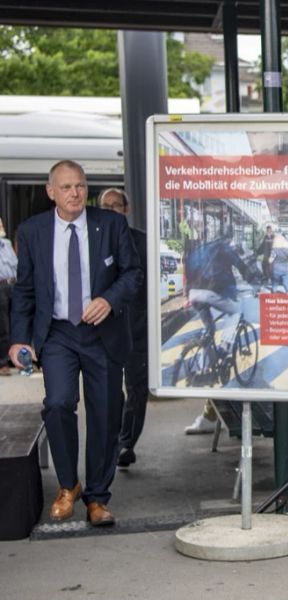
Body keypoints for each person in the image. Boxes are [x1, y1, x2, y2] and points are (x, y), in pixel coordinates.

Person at [8, 160, 141, 526]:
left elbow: (132, 274)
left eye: (80, 186)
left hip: (102, 334)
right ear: (51, 192)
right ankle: (69, 485)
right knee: (58, 404)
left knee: (104, 414)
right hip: (58, 335)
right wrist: (18, 338)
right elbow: (25, 291)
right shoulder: (33, 231)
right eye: (66, 187)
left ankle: (98, 498)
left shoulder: (111, 224)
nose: (75, 193)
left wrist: (109, 299)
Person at [182, 230, 256, 432]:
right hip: (215, 292)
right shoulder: (224, 248)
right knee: (236, 311)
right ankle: (224, 347)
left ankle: (210, 363)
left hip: (195, 293)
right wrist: (253, 280)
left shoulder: (198, 249)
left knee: (209, 329)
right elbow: (241, 267)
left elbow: (187, 272)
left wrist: (187, 293)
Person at [98, 188, 148, 468]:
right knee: (109, 389)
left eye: (116, 205)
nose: (111, 210)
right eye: (106, 205)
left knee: (137, 388)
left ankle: (125, 443)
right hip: (103, 329)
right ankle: (113, 438)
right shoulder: (91, 242)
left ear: (125, 210)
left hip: (137, 327)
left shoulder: (141, 242)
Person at [0, 216, 17, 376]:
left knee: (17, 322)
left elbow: (16, 264)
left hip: (13, 285)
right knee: (3, 326)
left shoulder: (7, 244)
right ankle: (3, 362)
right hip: (0, 287)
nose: (1, 226)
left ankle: (20, 360)